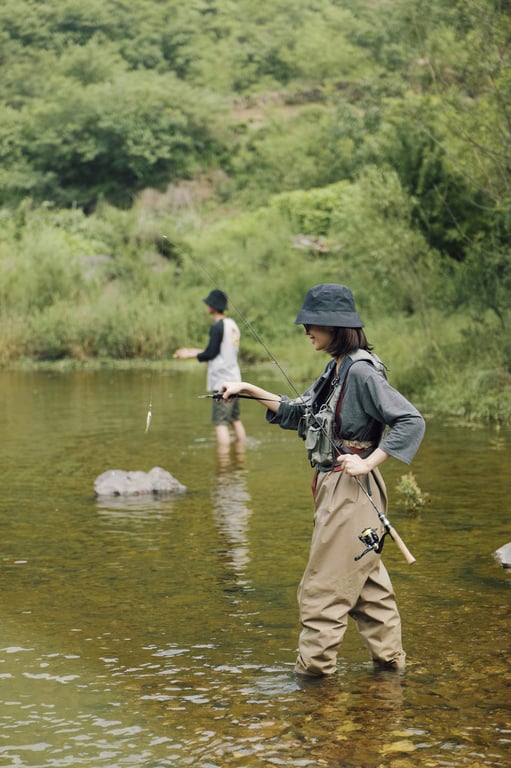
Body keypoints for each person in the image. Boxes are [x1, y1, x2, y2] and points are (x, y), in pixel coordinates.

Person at [220, 283, 425, 678]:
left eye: (312, 323)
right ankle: (391, 677)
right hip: (340, 491)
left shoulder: (361, 372)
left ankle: (312, 684)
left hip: (351, 492)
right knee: (369, 592)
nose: (306, 330)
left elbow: (410, 420)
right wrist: (246, 388)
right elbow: (298, 412)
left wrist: (368, 463)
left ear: (336, 326)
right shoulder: (336, 368)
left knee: (322, 593)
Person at [174, 289, 246, 451]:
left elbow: (210, 354)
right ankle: (241, 455)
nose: (206, 305)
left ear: (213, 306)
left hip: (222, 381)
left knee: (220, 423)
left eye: (208, 303)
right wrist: (192, 352)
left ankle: (224, 462)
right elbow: (219, 351)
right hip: (235, 378)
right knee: (235, 419)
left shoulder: (217, 327)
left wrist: (190, 354)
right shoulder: (232, 325)